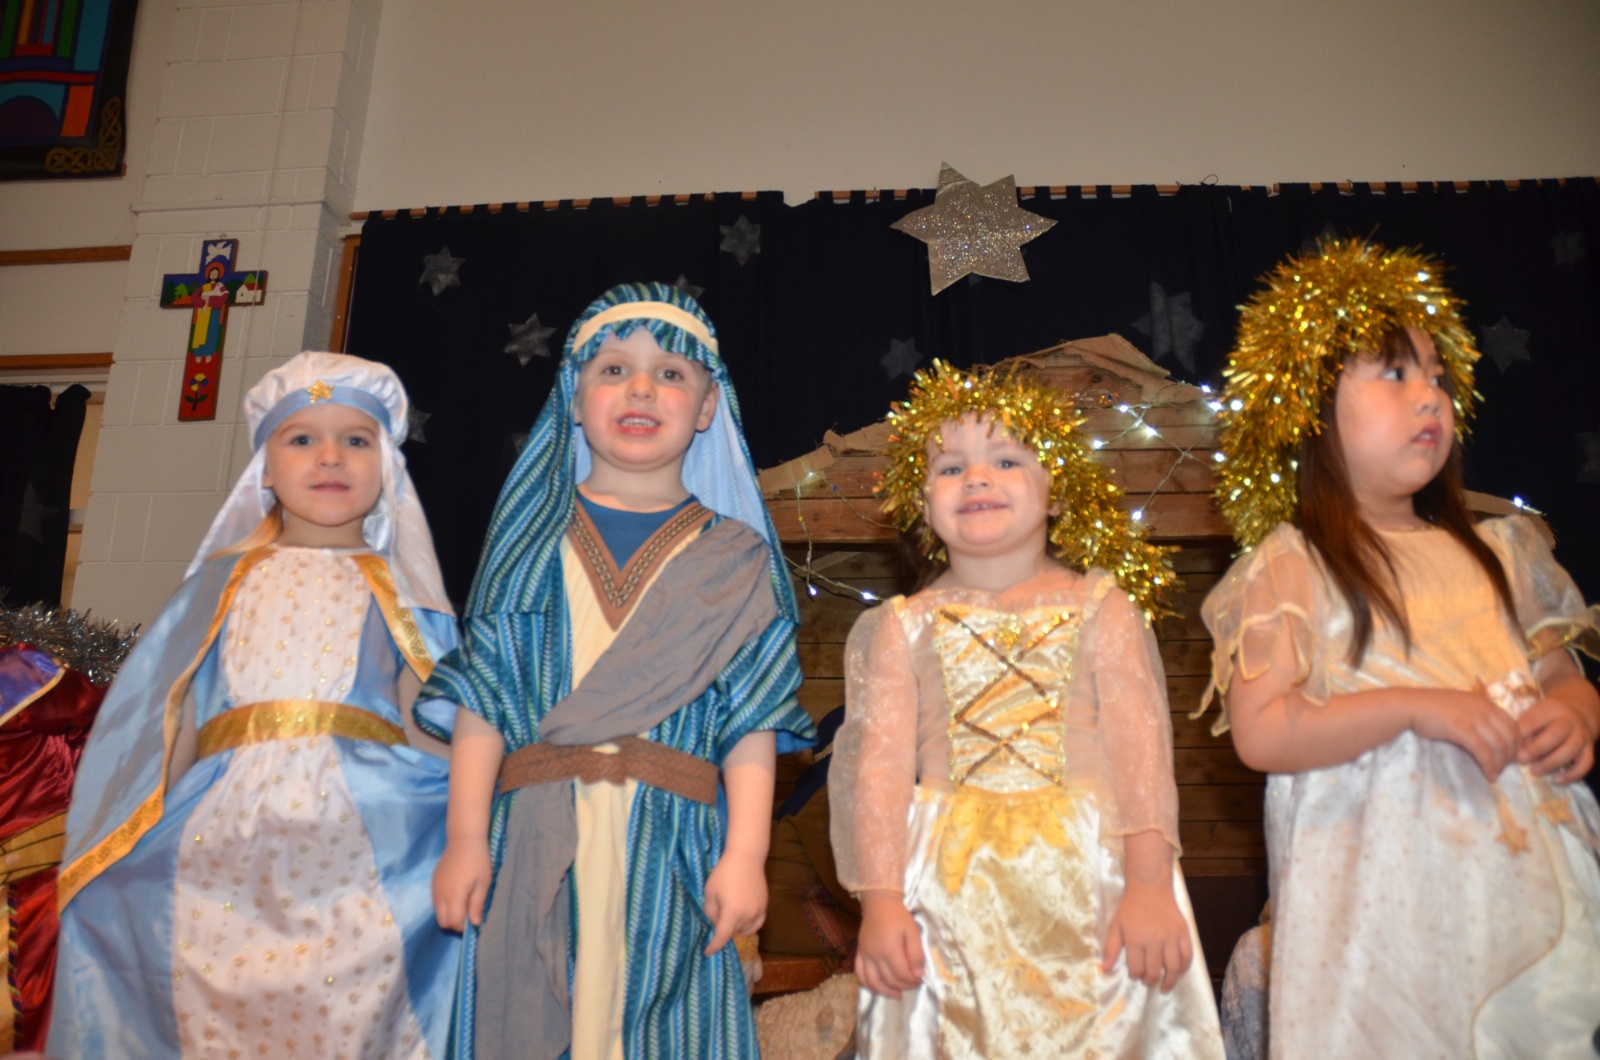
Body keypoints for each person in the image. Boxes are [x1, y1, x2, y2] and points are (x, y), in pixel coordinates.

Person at [1200, 237, 1600, 1057]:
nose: (1430, 397)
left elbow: (1562, 676)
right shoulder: (1290, 568)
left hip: (1517, 886)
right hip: (1380, 916)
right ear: (1308, 411)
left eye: (1439, 378)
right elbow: (1263, 731)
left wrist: (1574, 713)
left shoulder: (1500, 553)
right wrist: (1418, 708)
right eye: (1394, 373)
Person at [424, 282, 814, 1060]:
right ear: (574, 398)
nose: (641, 388)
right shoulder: (526, 544)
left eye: (671, 373)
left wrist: (745, 856)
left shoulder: (736, 559)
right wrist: (465, 838)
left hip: (675, 848)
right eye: (613, 370)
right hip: (533, 840)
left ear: (707, 405)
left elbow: (753, 719)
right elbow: (485, 700)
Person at [50, 352, 462, 1059]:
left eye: (356, 440)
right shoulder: (219, 585)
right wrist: (132, 829)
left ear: (387, 467)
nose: (330, 456)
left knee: (345, 1001)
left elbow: (431, 722)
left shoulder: (401, 594)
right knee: (167, 947)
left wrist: (471, 830)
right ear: (264, 470)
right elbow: (172, 716)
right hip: (223, 828)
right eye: (302, 438)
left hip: (362, 835)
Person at [831, 360, 1223, 1058]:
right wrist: (881, 902)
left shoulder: (1103, 608)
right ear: (921, 503)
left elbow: (1141, 756)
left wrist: (1148, 884)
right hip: (948, 896)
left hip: (1093, 883)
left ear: (1056, 492)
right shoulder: (901, 626)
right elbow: (878, 774)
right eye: (951, 468)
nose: (977, 479)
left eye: (1007, 460)